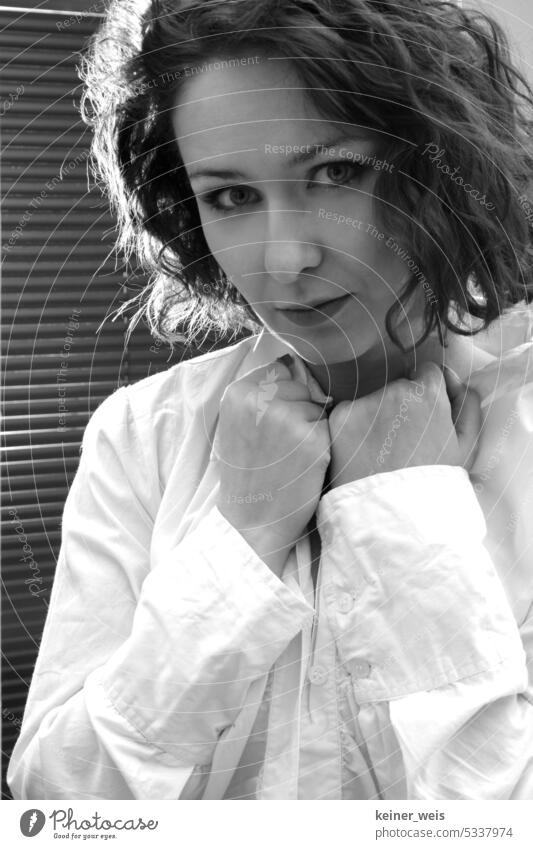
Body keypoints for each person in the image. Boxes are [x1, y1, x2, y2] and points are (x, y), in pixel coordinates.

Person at [7, 0, 533, 800]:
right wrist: (242, 538)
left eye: (337, 173)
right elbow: (55, 800)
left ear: (437, 168)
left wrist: (403, 511)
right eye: (231, 197)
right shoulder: (143, 433)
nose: (284, 259)